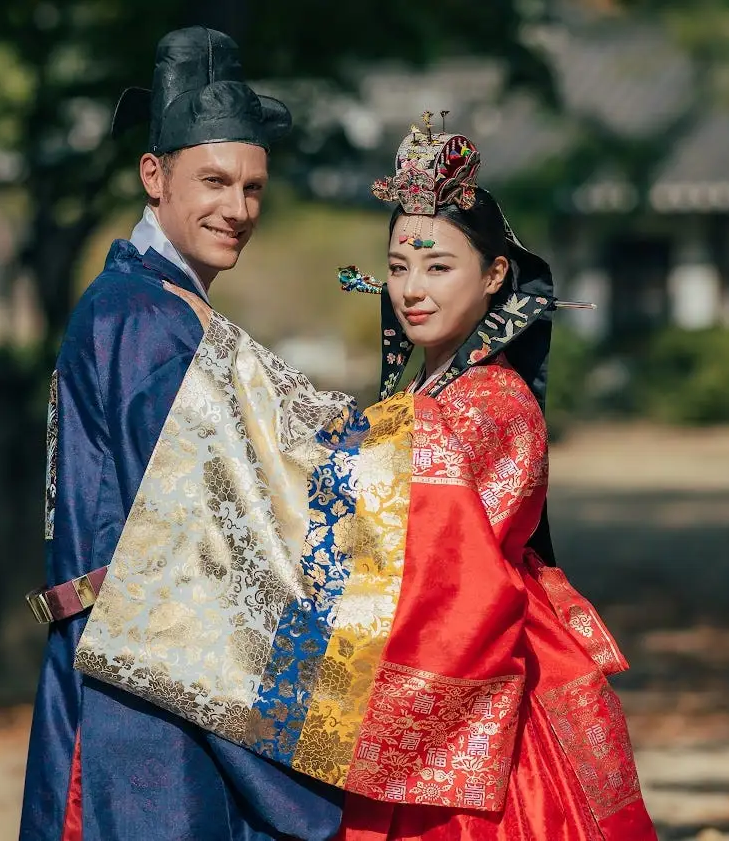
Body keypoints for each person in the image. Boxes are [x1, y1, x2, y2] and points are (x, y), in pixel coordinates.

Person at [74, 117, 657, 840]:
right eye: (398, 265)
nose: (412, 289)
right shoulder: (421, 401)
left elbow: (381, 496)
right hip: (421, 673)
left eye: (438, 267)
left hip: (487, 700)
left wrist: (233, 382)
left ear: (494, 274)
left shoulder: (493, 402)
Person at [19, 27, 343, 841]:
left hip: (166, 668)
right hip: (144, 696)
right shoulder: (141, 318)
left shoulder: (157, 304)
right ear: (153, 176)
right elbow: (210, 514)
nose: (236, 209)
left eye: (253, 187)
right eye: (213, 181)